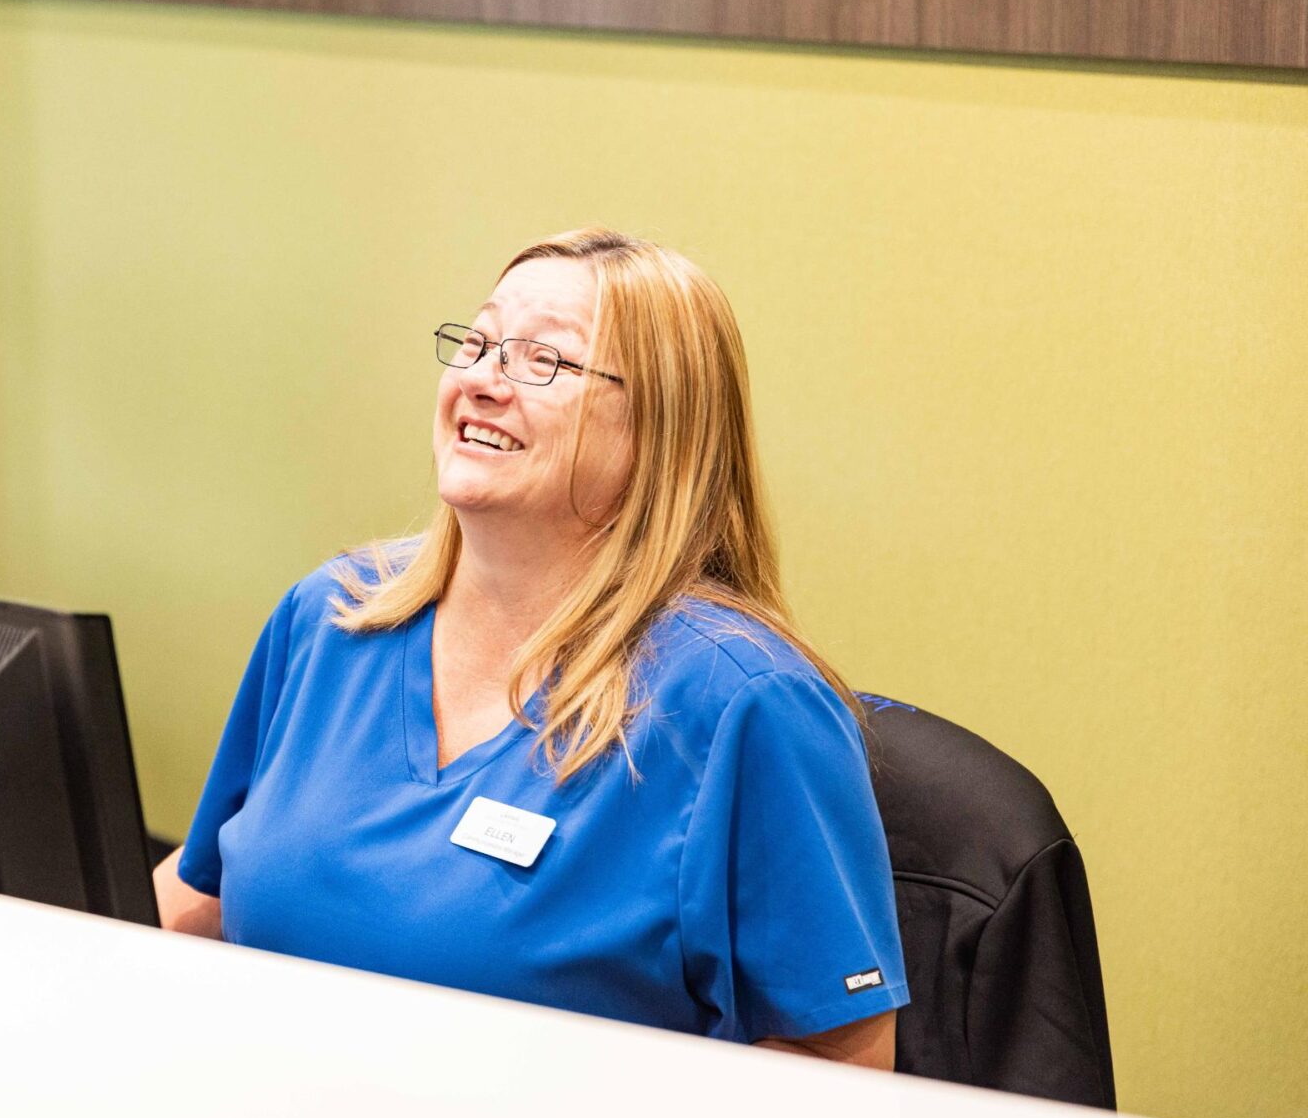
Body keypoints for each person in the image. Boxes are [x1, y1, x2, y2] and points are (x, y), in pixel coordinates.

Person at [156, 227, 906, 1067]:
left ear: (661, 428)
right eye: (477, 343)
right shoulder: (332, 616)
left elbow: (844, 1066)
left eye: (542, 361)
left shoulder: (742, 705)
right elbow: (198, 898)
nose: (481, 381)